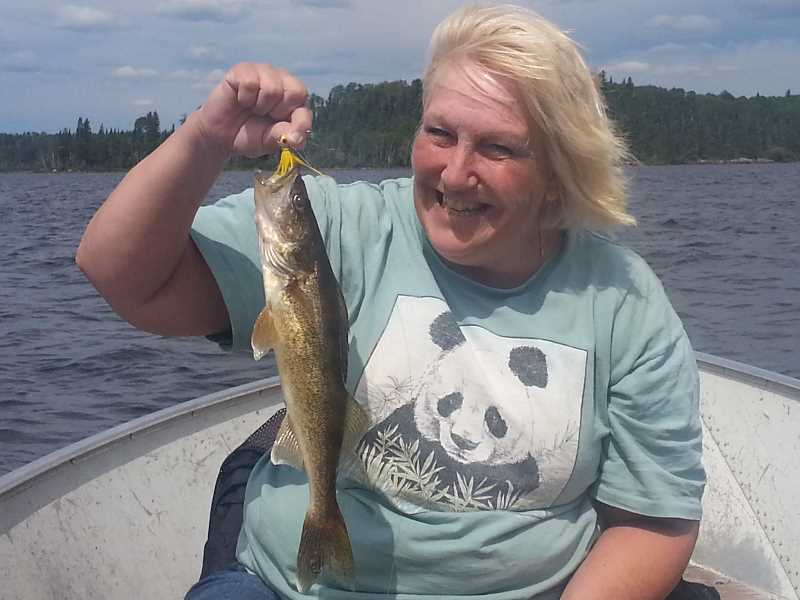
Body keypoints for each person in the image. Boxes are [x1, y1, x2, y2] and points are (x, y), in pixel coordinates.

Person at [76, 4, 705, 600]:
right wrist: (204, 140)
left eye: (498, 148)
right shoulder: (333, 228)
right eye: (440, 133)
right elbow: (121, 276)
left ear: (558, 174)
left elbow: (654, 521)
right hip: (287, 586)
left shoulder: (622, 301)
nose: (455, 173)